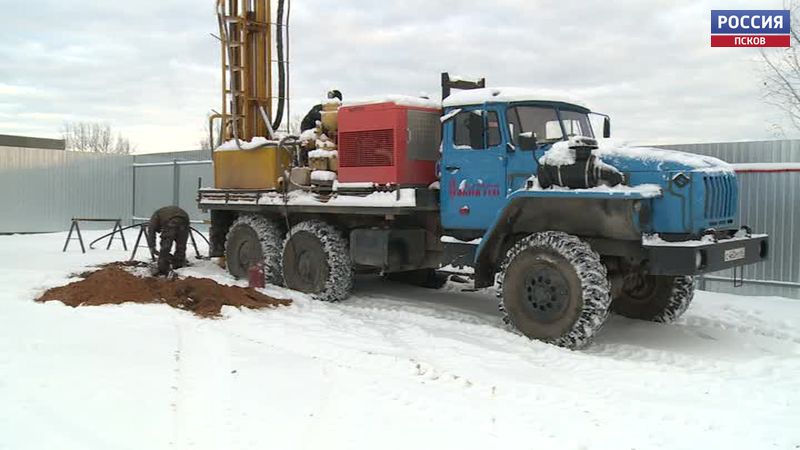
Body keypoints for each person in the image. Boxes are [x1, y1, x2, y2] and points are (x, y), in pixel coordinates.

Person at [147, 206, 190, 276]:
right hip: (184, 219)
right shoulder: (160, 213)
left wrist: (152, 247)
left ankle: (162, 267)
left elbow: (151, 232)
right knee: (181, 245)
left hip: (171, 220)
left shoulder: (155, 218)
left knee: (166, 245)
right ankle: (178, 264)